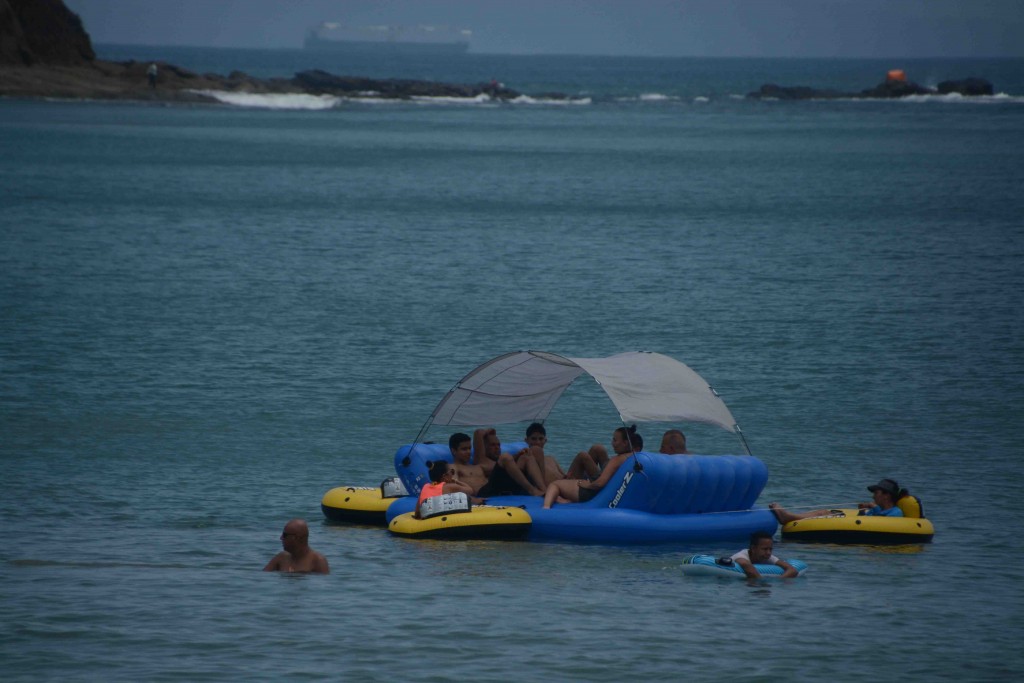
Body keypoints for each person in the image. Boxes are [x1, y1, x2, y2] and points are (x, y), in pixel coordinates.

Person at [542, 425, 643, 508]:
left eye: (615, 440)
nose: (612, 443)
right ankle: (566, 496)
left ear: (625, 443)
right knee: (595, 450)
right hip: (602, 492)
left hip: (591, 494)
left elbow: (600, 483)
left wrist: (587, 484)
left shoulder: (616, 460)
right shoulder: (634, 457)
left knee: (554, 485)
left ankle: (545, 509)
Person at [769, 478, 906, 524]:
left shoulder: (895, 512)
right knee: (824, 512)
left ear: (887, 495)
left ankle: (788, 517)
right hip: (857, 522)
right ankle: (788, 517)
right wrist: (867, 508)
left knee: (824, 515)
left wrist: (872, 507)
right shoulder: (881, 509)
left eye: (876, 493)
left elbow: (882, 522)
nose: (873, 497)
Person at [474, 427, 547, 497]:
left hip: (510, 485)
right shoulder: (482, 459)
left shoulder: (504, 461)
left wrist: (519, 455)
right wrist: (490, 431)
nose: (497, 447)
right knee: (505, 457)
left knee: (528, 456)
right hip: (492, 490)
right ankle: (532, 490)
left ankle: (544, 490)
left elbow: (510, 464)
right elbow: (478, 432)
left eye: (498, 445)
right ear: (484, 447)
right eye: (492, 445)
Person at [415, 460, 482, 518]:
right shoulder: (449, 487)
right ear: (445, 476)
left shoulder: (425, 487)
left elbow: (417, 512)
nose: (452, 475)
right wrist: (455, 481)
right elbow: (470, 490)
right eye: (452, 472)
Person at [263, 519, 329, 574]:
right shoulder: (281, 557)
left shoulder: (318, 561)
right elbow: (262, 577)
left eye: (284, 535)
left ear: (296, 538)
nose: (281, 538)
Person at [731, 531, 799, 579]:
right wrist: (762, 583)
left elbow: (792, 570)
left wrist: (780, 580)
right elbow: (745, 564)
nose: (768, 552)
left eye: (770, 549)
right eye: (765, 549)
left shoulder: (766, 556)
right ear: (753, 548)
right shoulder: (741, 555)